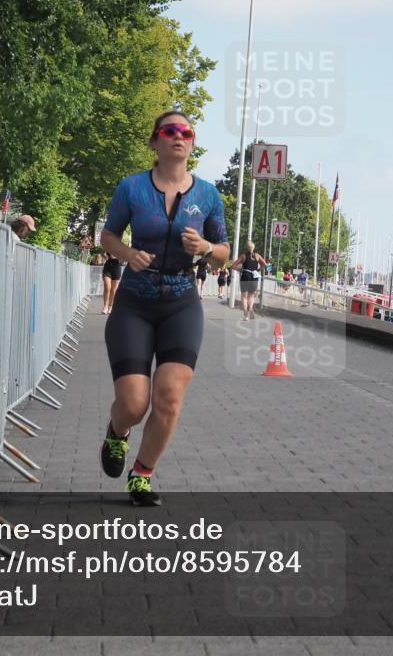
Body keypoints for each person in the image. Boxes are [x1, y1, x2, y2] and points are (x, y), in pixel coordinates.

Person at [99, 111, 229, 506]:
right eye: (170, 131)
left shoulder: (207, 195)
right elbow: (108, 236)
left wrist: (206, 249)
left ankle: (142, 474)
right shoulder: (132, 188)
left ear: (192, 143)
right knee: (135, 403)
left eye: (186, 132)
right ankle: (116, 432)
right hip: (135, 304)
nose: (179, 137)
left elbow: (223, 253)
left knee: (169, 397)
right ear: (155, 141)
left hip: (180, 304)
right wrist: (128, 253)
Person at [231, 241, 266, 322]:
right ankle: (250, 309)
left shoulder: (243, 256)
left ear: (247, 248)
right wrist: (258, 269)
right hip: (254, 277)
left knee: (244, 297)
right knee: (251, 296)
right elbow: (264, 264)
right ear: (253, 248)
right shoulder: (257, 256)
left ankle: (246, 316)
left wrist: (240, 270)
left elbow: (233, 266)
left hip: (245, 276)